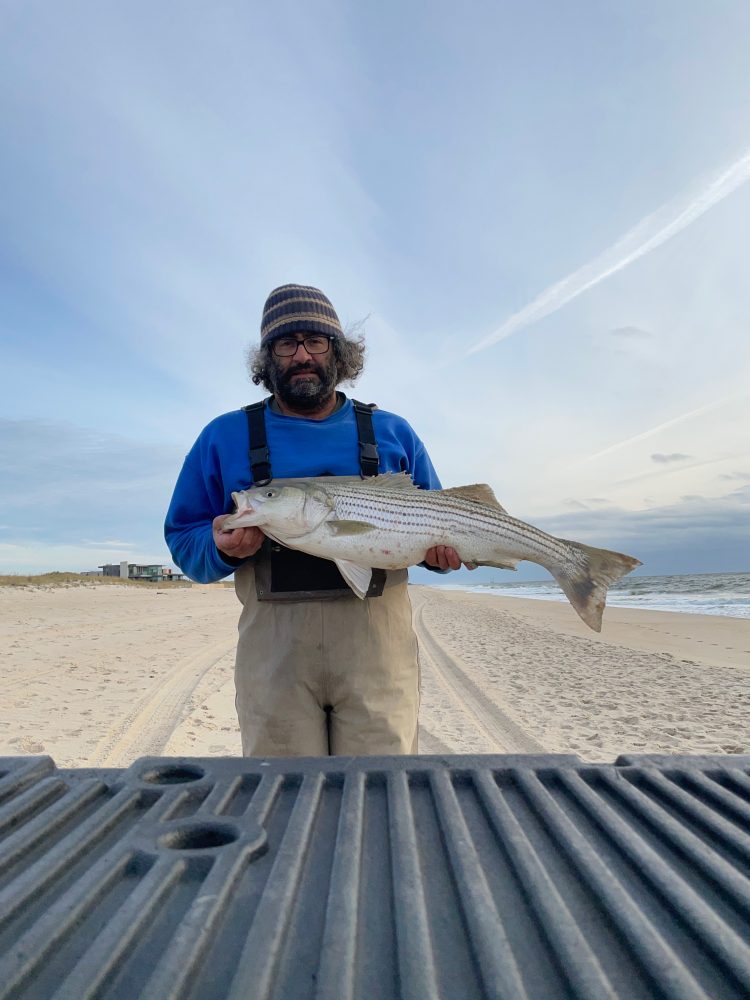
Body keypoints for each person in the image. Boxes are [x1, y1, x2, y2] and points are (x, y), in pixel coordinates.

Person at [164, 283, 465, 757]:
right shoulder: (222, 436)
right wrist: (220, 548)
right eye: (286, 343)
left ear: (339, 353)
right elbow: (185, 541)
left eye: (316, 341)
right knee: (281, 799)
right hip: (274, 659)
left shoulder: (393, 432)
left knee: (381, 793)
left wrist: (442, 559)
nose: (302, 354)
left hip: (378, 657)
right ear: (267, 359)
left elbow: (439, 530)